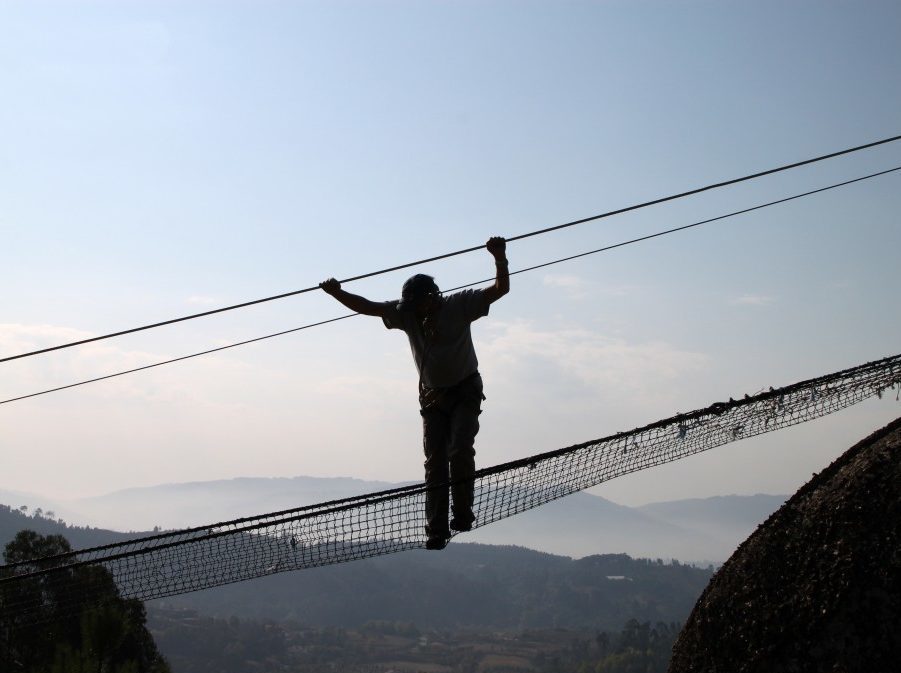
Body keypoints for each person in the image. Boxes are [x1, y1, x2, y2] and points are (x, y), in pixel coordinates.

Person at [320, 236, 510, 549]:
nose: (418, 312)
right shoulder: (408, 315)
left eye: (421, 305)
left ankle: (462, 515)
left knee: (459, 451)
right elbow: (368, 307)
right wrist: (337, 293)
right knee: (435, 463)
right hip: (433, 397)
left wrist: (500, 257)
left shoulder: (460, 304)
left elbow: (499, 290)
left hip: (464, 390)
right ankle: (436, 530)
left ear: (434, 297)